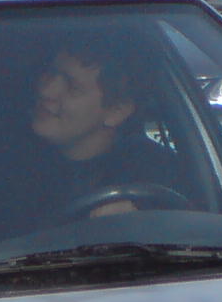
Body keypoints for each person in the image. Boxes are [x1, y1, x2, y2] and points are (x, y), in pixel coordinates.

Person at [27, 44, 180, 216]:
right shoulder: (8, 156)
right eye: (51, 73)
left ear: (116, 111)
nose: (46, 91)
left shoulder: (155, 178)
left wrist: (139, 219)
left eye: (72, 87)